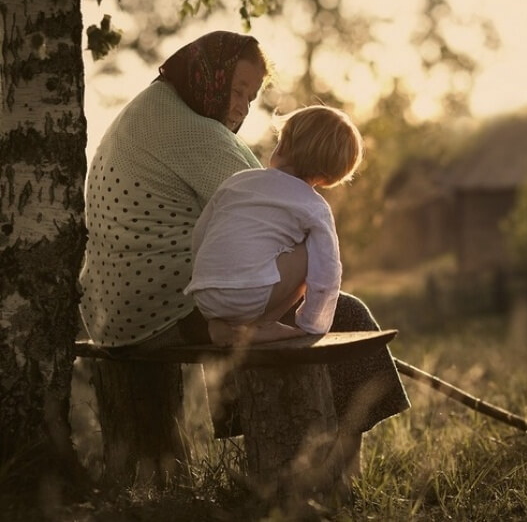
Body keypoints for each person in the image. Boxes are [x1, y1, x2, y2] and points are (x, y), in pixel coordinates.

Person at [78, 31, 409, 467]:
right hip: (164, 312)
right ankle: (329, 469)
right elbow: (278, 223)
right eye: (236, 90)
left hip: (111, 310)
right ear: (208, 75)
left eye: (250, 98)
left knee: (258, 293)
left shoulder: (152, 108)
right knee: (344, 314)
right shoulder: (198, 136)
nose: (241, 107)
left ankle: (299, 451)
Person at [184, 105, 364, 346]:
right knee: (312, 252)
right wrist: (313, 324)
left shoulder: (237, 182)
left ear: (283, 145)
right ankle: (262, 325)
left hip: (205, 295)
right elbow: (327, 272)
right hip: (250, 296)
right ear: (328, 176)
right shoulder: (314, 206)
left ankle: (221, 326)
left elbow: (201, 235)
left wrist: (206, 277)